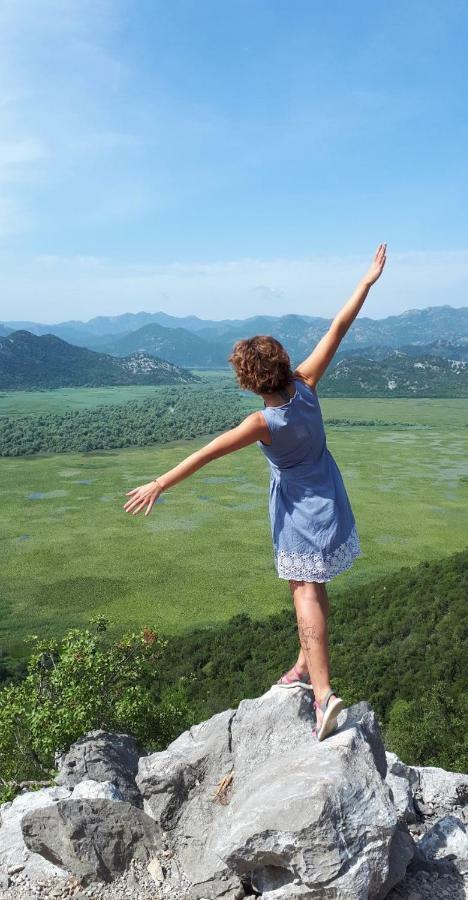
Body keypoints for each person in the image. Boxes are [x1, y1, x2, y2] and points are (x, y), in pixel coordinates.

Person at [124, 242, 387, 741]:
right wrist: (365, 283)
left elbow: (207, 453)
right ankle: (306, 665)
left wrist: (159, 482)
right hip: (330, 498)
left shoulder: (262, 422)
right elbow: (339, 326)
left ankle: (324, 695)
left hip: (298, 513)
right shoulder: (306, 383)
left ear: (248, 381)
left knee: (302, 591)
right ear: (283, 363)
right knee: (317, 586)